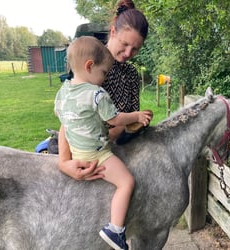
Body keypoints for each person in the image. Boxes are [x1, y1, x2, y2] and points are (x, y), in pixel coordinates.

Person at [54, 36, 152, 250]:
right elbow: (114, 119)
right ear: (90, 66)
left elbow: (63, 119)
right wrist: (135, 116)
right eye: (104, 73)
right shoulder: (97, 94)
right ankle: (115, 230)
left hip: (75, 153)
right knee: (127, 182)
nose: (104, 78)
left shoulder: (63, 93)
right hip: (96, 155)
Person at [58, 0, 150, 182]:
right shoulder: (92, 65)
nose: (128, 53)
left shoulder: (131, 74)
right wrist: (64, 162)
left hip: (117, 152)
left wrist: (139, 120)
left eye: (135, 49)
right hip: (86, 150)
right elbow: (69, 116)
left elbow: (130, 119)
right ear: (113, 32)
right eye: (124, 44)